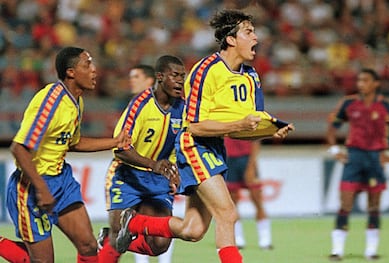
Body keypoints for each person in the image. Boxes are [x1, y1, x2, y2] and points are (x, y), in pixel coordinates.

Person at [114, 9, 294, 263]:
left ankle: (132, 224)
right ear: (231, 39)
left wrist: (268, 131)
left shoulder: (251, 77)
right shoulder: (205, 71)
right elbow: (194, 126)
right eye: (249, 32)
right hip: (193, 145)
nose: (256, 38)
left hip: (216, 148)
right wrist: (240, 122)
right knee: (228, 214)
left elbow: (242, 130)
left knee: (193, 230)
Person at [6, 46, 130, 263]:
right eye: (87, 65)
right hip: (31, 187)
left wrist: (115, 142)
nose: (94, 71)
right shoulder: (50, 102)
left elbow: (72, 142)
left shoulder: (76, 101)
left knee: (89, 245)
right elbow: (19, 148)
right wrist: (42, 189)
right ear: (71, 72)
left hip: (61, 181)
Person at [97, 55, 185, 263]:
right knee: (118, 241)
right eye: (175, 76)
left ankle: (111, 235)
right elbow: (120, 147)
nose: (180, 81)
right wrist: (154, 164)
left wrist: (179, 172)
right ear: (160, 77)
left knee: (160, 245)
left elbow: (185, 143)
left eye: (183, 76)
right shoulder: (140, 105)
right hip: (129, 175)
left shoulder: (184, 107)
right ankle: (112, 235)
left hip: (159, 180)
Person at [326, 68, 389, 261]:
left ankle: (371, 250)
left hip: (375, 159)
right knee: (345, 204)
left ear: (376, 84)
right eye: (359, 80)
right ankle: (337, 249)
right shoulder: (348, 103)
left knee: (374, 207)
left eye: (365, 80)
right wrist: (335, 150)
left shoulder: (386, 107)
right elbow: (332, 127)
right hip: (353, 158)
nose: (360, 84)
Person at [223, 137, 273, 250]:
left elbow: (256, 141)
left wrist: (251, 165)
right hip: (230, 160)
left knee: (257, 200)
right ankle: (238, 238)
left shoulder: (249, 119)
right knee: (233, 202)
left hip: (247, 159)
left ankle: (265, 239)